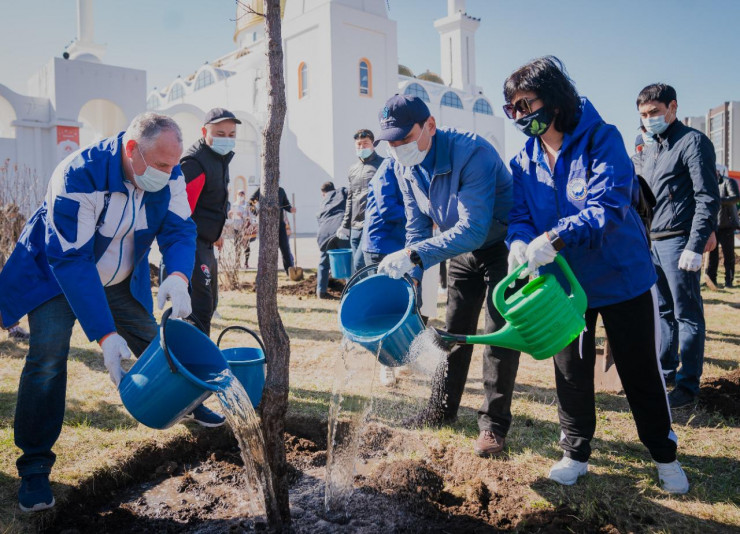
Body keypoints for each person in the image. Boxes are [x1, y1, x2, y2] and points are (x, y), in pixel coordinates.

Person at [504, 56, 689, 494]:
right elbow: (519, 216)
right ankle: (575, 452)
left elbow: (606, 208)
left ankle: (664, 455)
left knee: (639, 370)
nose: (519, 117)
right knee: (570, 371)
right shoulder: (523, 161)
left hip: (621, 278)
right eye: (512, 109)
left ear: (552, 100)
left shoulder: (601, 139)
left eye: (525, 105)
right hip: (565, 289)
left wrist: (554, 237)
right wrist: (519, 240)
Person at [0, 113, 198, 512]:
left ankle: (191, 401)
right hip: (57, 277)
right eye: (161, 165)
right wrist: (105, 336)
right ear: (131, 150)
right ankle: (35, 466)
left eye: (174, 165)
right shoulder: (77, 175)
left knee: (153, 336)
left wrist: (177, 275)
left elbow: (179, 229)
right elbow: (72, 261)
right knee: (48, 359)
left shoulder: (169, 171)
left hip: (119, 278)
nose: (170, 173)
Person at [373, 94, 518, 458]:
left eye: (404, 138)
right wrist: (412, 271)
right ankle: (441, 409)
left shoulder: (472, 154)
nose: (397, 148)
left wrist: (415, 254)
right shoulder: (405, 167)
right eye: (391, 142)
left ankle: (493, 426)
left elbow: (474, 228)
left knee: (498, 334)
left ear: (430, 126)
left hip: (501, 245)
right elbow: (417, 225)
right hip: (457, 247)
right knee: (452, 331)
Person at [637, 83, 720, 407]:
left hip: (679, 241)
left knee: (687, 313)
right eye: (644, 114)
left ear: (672, 107)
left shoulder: (692, 142)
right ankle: (666, 373)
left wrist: (695, 244)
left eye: (654, 112)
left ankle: (687, 386)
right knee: (663, 311)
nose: (649, 119)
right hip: (654, 241)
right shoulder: (654, 148)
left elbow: (706, 197)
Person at [362, 157, 440, 387]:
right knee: (387, 308)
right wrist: (425, 216)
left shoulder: (417, 167)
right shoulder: (387, 169)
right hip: (383, 247)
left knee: (415, 303)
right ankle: (386, 364)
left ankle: (406, 357)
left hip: (407, 247)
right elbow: (387, 208)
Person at [180, 108, 240, 336]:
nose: (227, 138)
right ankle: (195, 360)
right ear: (205, 131)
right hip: (191, 242)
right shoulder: (195, 163)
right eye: (220, 133)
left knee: (210, 301)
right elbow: (182, 213)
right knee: (200, 307)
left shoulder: (219, 158)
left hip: (205, 241)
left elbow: (216, 198)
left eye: (231, 134)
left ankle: (197, 350)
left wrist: (217, 233)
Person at [336, 129, 385, 273]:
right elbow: (350, 199)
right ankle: (364, 293)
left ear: (373, 144)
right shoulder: (353, 169)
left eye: (365, 144)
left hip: (372, 223)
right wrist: (345, 225)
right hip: (355, 225)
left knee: (360, 263)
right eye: (358, 144)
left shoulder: (383, 165)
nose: (362, 147)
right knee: (357, 268)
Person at [250, 186, 295, 275]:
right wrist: (257, 213)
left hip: (280, 225)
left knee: (285, 249)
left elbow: (286, 204)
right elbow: (251, 203)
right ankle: (268, 273)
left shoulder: (281, 191)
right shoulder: (261, 190)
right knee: (269, 250)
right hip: (267, 226)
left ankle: (289, 272)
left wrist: (290, 209)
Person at [707, 165, 739, 288]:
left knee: (728, 255)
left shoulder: (728, 182)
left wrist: (717, 200)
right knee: (712, 256)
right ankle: (711, 280)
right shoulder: (708, 184)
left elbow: (735, 198)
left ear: (717, 172)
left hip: (726, 225)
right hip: (713, 226)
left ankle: (729, 281)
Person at [316, 181, 349, 299]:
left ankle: (321, 291)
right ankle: (350, 291)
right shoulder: (342, 191)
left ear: (323, 193)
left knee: (324, 262)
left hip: (324, 232)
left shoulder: (324, 202)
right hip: (340, 228)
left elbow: (319, 219)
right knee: (347, 261)